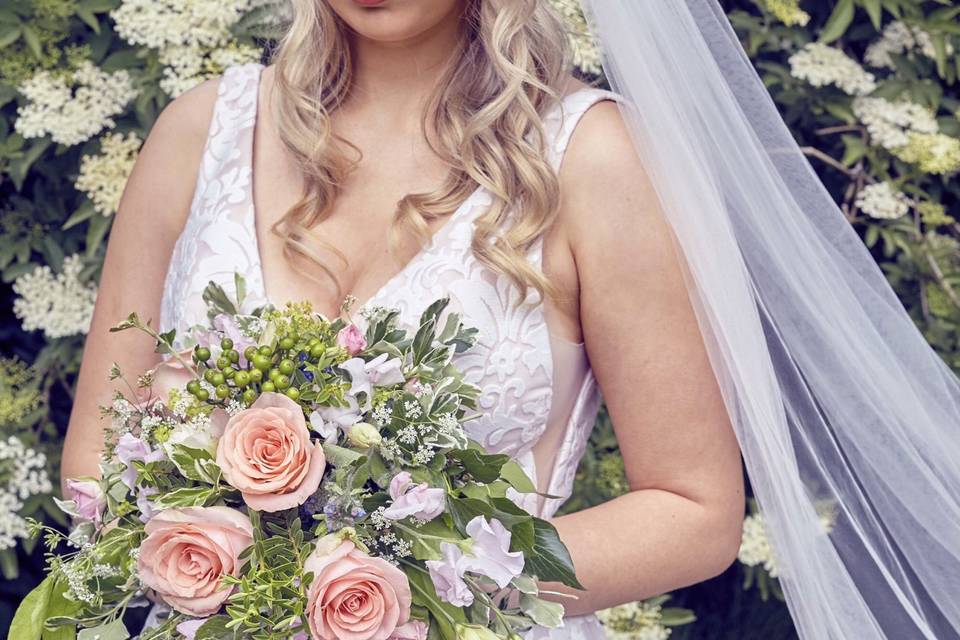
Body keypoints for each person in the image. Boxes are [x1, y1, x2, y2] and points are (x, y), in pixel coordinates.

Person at [61, 1, 745, 637]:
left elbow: (694, 512)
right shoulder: (199, 131)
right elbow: (95, 461)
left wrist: (400, 589)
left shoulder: (593, 158)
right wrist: (235, 582)